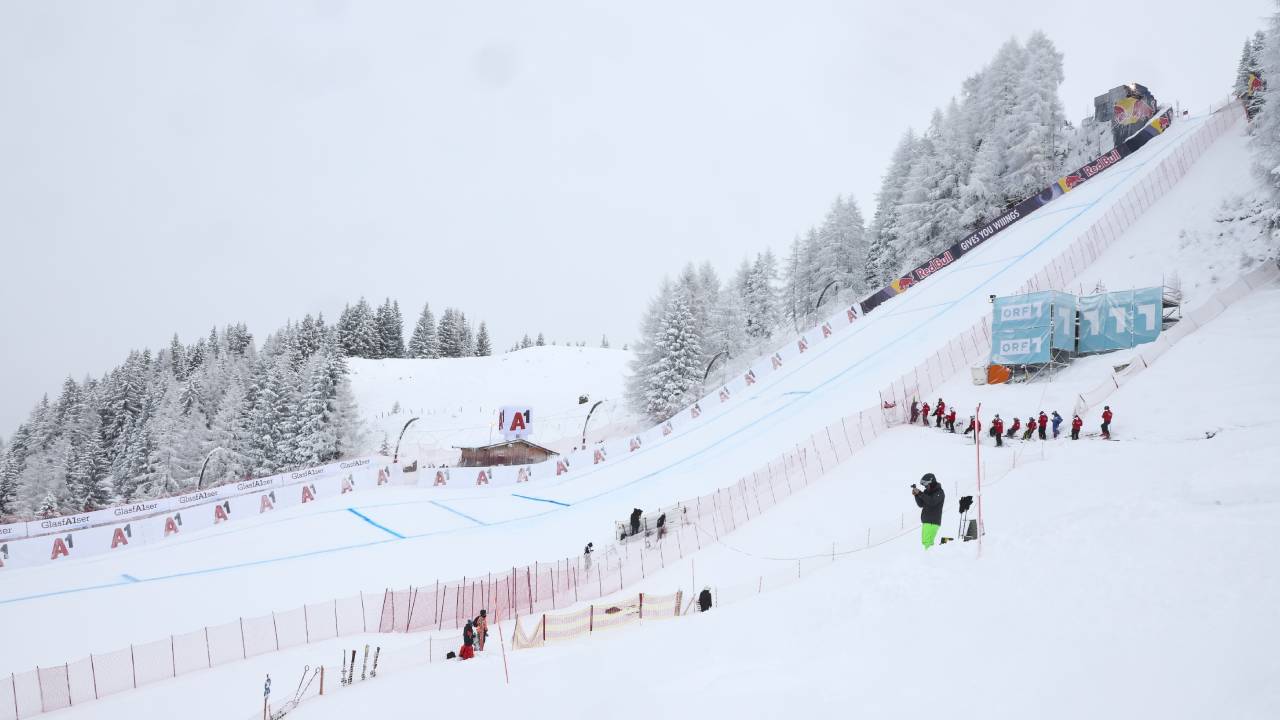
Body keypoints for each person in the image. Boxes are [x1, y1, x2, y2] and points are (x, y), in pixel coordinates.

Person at [912, 473, 945, 549]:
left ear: (932, 482)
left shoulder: (939, 492)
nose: (926, 487)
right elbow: (921, 504)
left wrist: (920, 493)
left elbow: (932, 502)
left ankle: (928, 558)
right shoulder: (927, 492)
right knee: (926, 542)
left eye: (927, 485)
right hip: (926, 521)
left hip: (932, 522)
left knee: (927, 542)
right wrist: (916, 495)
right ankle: (928, 557)